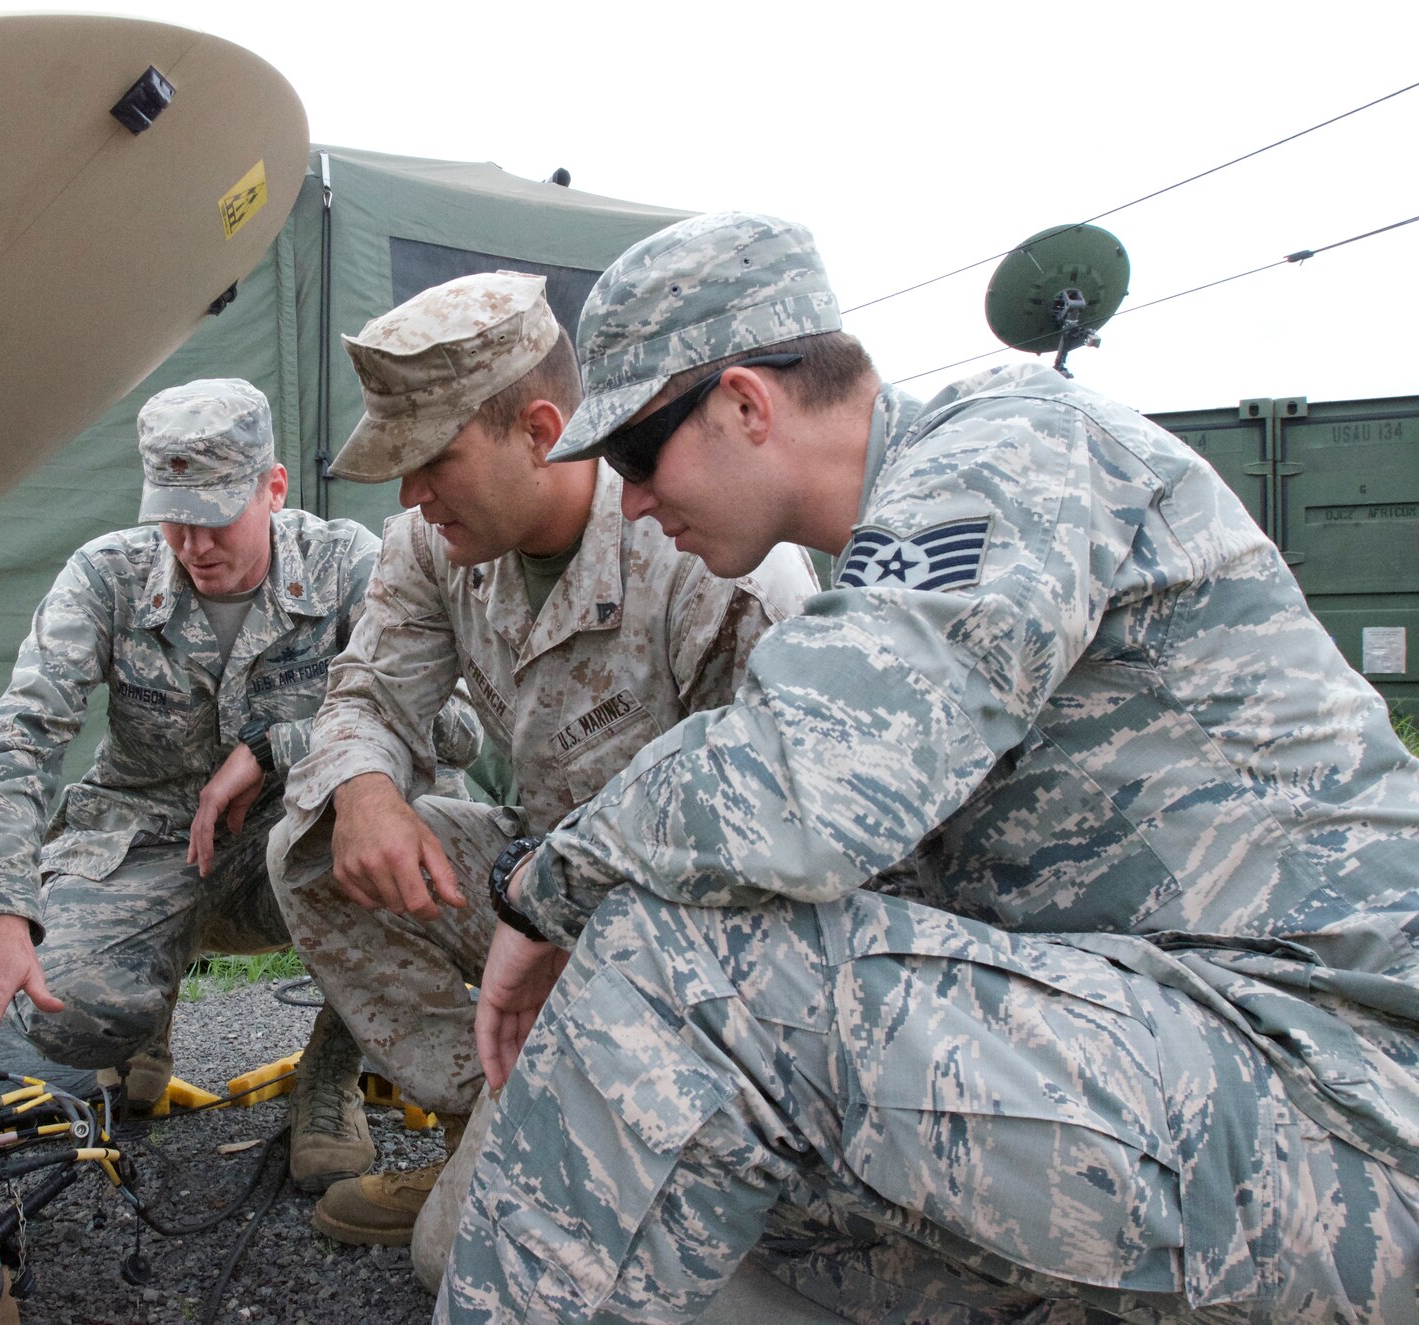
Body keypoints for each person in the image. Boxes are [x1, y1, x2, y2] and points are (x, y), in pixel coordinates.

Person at [444, 212, 1419, 1323]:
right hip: (1204, 1085)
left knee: (695, 966)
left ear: (744, 404)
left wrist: (540, 884)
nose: (628, 500)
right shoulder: (890, 554)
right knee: (718, 1195)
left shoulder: (1007, 446)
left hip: (1340, 1092)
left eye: (633, 454)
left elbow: (799, 789)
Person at [267, 271, 819, 1255]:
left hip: (685, 959)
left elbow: (779, 870)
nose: (407, 491)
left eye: (431, 457)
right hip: (541, 902)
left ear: (538, 427)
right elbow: (366, 694)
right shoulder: (434, 543)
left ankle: (590, 1150)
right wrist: (362, 785)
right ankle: (490, 1111)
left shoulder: (707, 558)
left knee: (449, 1262)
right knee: (310, 842)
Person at [0, 377, 479, 1194]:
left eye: (217, 515)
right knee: (63, 1010)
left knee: (421, 814)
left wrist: (276, 745)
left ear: (274, 488)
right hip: (150, 842)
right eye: (172, 515)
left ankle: (334, 1064)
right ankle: (149, 1005)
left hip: (295, 842)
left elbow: (453, 727)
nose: (193, 543)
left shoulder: (348, 563)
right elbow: (17, 732)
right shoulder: (107, 576)